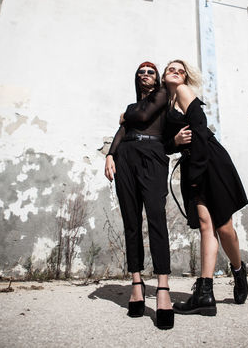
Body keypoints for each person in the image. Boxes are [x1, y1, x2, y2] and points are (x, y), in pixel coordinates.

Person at [163, 59, 248, 316]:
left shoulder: (183, 92)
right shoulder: (165, 104)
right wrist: (175, 141)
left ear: (185, 78)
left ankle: (238, 270)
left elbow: (200, 127)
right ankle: (205, 292)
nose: (176, 73)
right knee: (205, 225)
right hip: (193, 164)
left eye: (181, 71)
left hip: (209, 161)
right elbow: (165, 145)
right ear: (164, 75)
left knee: (224, 227)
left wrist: (197, 170)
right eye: (171, 70)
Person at [104, 61, 174, 329]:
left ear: (156, 78)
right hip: (126, 157)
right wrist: (111, 154)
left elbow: (142, 118)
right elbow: (123, 129)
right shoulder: (135, 106)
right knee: (131, 222)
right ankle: (136, 282)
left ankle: (163, 289)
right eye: (141, 72)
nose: (145, 75)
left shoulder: (161, 95)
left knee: (157, 219)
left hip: (152, 156)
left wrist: (125, 114)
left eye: (150, 72)